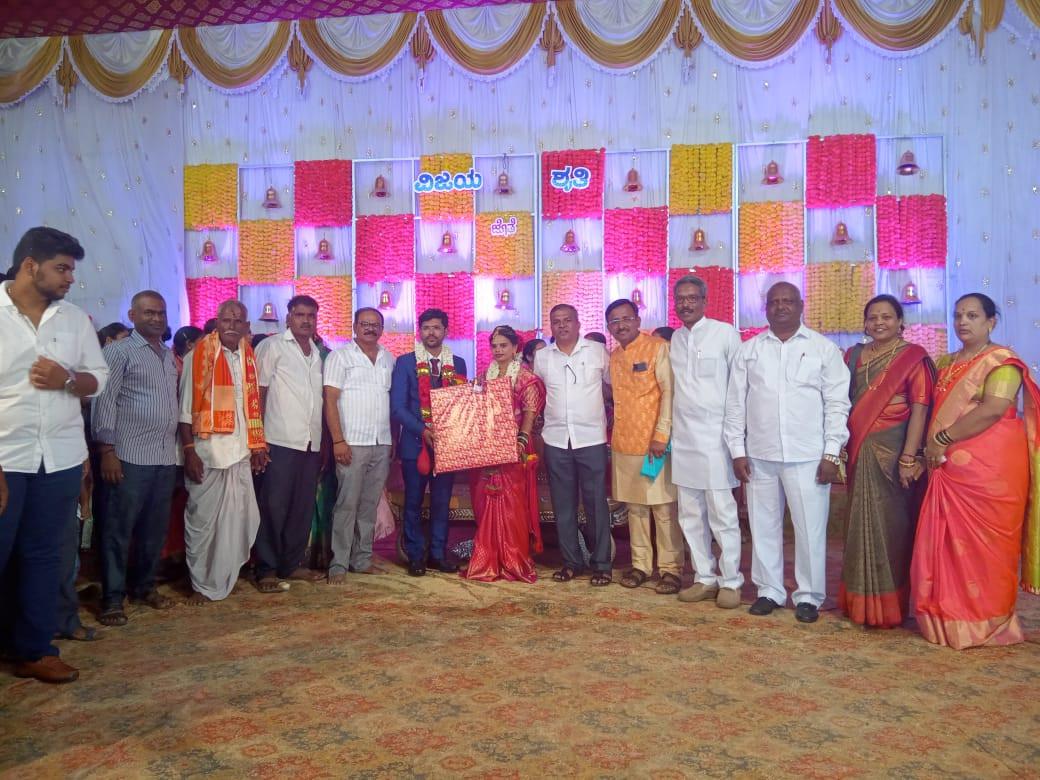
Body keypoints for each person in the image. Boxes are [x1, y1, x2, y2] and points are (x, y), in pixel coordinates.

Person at [0, 226, 108, 683]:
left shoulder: (74, 320)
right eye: (61, 268)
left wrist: (67, 379)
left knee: (45, 557)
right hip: (6, 458)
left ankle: (35, 649)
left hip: (59, 458)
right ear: (30, 266)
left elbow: (97, 379)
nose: (69, 278)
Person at [912, 293, 1040, 648]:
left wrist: (942, 438)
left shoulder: (1002, 362)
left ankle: (987, 621)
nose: (962, 322)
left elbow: (994, 409)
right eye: (958, 316)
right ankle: (944, 616)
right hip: (947, 467)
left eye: (972, 316)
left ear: (991, 321)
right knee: (946, 543)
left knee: (988, 547)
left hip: (989, 471)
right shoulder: (946, 362)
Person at [724, 282, 850, 623]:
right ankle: (769, 591)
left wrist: (831, 453)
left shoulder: (823, 349)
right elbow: (735, 406)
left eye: (788, 301)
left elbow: (837, 404)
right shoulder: (749, 351)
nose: (781, 307)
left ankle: (809, 596)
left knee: (810, 530)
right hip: (759, 455)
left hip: (808, 456)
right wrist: (737, 451)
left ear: (801, 305)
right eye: (774, 302)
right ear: (765, 308)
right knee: (763, 526)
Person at [839, 295, 935, 628]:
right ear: (865, 323)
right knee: (857, 524)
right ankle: (858, 603)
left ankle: (889, 606)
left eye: (887, 317)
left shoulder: (913, 358)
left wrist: (909, 457)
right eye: (873, 318)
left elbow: (920, 409)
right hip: (858, 449)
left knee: (892, 527)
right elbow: (840, 400)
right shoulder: (853, 356)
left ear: (900, 322)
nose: (879, 323)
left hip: (894, 455)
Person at [91, 291, 180, 626]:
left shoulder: (166, 355)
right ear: (132, 315)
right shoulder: (118, 352)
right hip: (128, 457)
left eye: (160, 313)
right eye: (148, 313)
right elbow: (104, 402)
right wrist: (107, 451)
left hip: (163, 456)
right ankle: (113, 598)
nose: (156, 318)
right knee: (118, 530)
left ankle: (144, 586)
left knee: (154, 530)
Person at [178, 300, 269, 604]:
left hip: (240, 452)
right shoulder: (198, 355)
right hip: (208, 452)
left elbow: (250, 408)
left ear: (246, 326)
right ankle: (201, 583)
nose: (232, 325)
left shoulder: (248, 356)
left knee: (240, 517)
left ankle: (224, 575)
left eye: (238, 321)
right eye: (226, 320)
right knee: (203, 522)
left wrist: (257, 445)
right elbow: (185, 410)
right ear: (217, 322)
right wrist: (189, 450)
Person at [670, 275, 744, 608]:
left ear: (704, 300)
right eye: (680, 299)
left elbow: (738, 388)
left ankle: (731, 581)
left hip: (717, 439)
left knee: (722, 514)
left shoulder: (725, 333)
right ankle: (704, 577)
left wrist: (736, 440)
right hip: (684, 438)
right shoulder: (676, 338)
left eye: (692, 298)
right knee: (690, 515)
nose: (685, 304)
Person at [605, 299, 682, 594]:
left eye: (626, 318)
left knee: (662, 508)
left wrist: (662, 435)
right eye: (614, 321)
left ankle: (671, 569)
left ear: (638, 320)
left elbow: (669, 392)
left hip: (654, 445)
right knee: (635, 508)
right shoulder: (614, 356)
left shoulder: (658, 348)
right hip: (624, 443)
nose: (621, 325)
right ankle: (641, 565)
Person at [533, 304, 613, 586]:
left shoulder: (597, 351)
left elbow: (612, 388)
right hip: (556, 439)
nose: (562, 325)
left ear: (578, 323)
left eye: (567, 320)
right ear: (551, 326)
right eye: (556, 321)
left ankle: (601, 564)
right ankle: (571, 562)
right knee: (563, 504)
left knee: (596, 503)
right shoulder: (542, 357)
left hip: (591, 438)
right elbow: (537, 394)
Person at [253, 296, 326, 592]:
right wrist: (257, 439)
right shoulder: (271, 347)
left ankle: (291, 564)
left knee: (301, 507)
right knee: (274, 506)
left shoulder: (318, 353)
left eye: (311, 316)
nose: (306, 320)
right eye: (300, 315)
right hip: (279, 440)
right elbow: (258, 393)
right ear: (288, 318)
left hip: (310, 442)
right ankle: (266, 568)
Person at [463, 326, 546, 582]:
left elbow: (530, 413)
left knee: (512, 503)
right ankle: (488, 557)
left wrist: (521, 440)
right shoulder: (483, 376)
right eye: (495, 346)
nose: (498, 350)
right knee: (484, 499)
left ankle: (513, 558)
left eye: (503, 345)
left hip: (515, 448)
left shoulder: (525, 377)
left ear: (515, 348)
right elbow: (474, 408)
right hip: (487, 448)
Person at [390, 308, 467, 576]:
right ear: (419, 331)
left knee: (441, 502)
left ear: (445, 331)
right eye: (426, 328)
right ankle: (415, 556)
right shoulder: (405, 363)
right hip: (415, 445)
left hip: (447, 446)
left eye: (436, 327)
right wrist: (423, 431)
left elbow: (461, 404)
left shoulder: (458, 363)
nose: (431, 333)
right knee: (413, 502)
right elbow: (398, 408)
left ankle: (437, 554)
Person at [324, 307, 395, 584]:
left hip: (381, 442)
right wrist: (338, 440)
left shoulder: (389, 358)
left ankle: (362, 559)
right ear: (354, 326)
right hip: (351, 443)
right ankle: (338, 564)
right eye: (364, 323)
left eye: (375, 324)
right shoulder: (340, 357)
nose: (370, 328)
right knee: (346, 505)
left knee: (368, 506)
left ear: (382, 329)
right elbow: (330, 400)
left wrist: (392, 441)